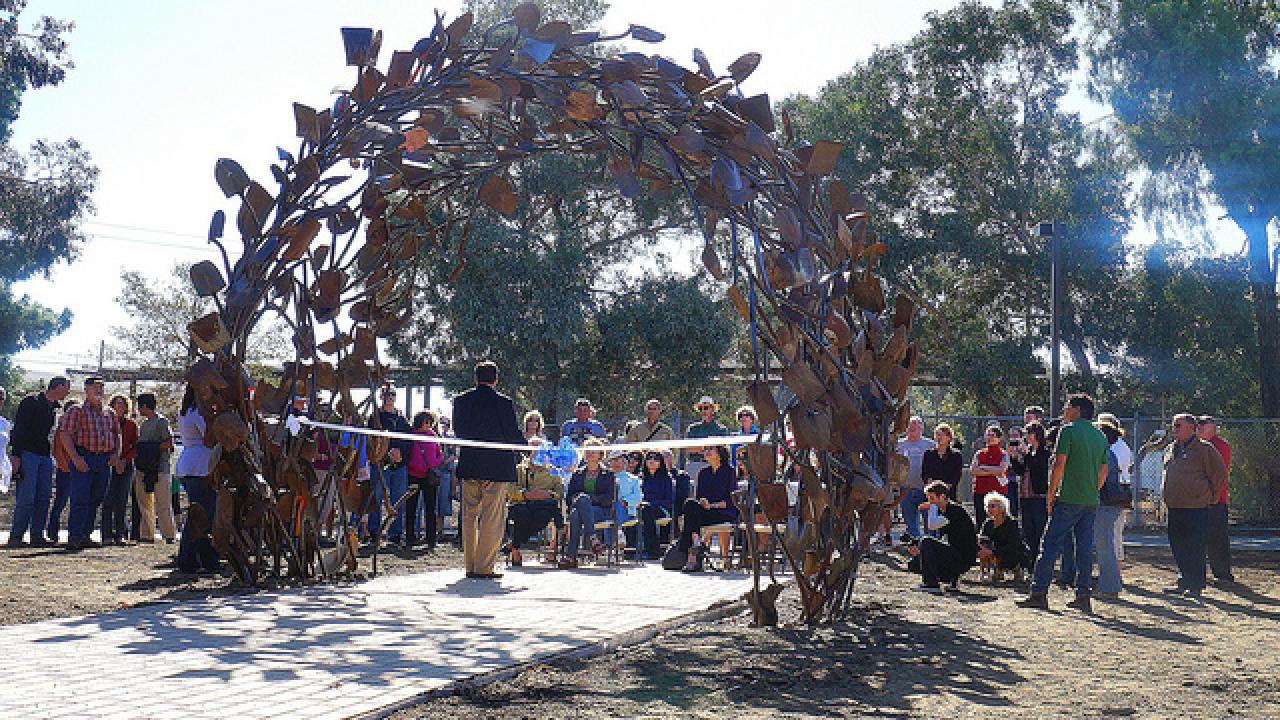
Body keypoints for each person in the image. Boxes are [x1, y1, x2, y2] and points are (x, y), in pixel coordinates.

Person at [1018, 393, 1109, 612]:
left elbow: (1059, 465)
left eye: (1067, 406)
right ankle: (1083, 595)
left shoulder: (1067, 431)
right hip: (1090, 500)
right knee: (1085, 549)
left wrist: (1051, 494)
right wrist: (1092, 490)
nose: (1064, 411)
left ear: (1077, 409)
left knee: (1049, 545)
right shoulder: (1099, 435)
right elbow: (1103, 471)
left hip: (1068, 498)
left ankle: (1039, 592)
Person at [452, 361, 524, 579]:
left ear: (476, 379)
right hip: (495, 467)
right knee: (492, 518)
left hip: (470, 464)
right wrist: (526, 445)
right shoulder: (503, 403)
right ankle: (484, 567)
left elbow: (459, 431)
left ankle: (470, 566)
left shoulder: (461, 401)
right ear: (496, 379)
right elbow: (512, 434)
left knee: (469, 516)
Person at [1160, 413, 1227, 598]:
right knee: (1178, 546)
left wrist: (1211, 498)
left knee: (1195, 547)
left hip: (1196, 508)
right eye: (1174, 425)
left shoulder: (1205, 449)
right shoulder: (1171, 449)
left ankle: (1195, 585)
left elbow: (1219, 474)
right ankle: (1183, 581)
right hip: (1175, 507)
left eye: (1178, 425)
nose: (1174, 429)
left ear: (1192, 428)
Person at [6, 376, 70, 547]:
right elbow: (18, 429)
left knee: (44, 496)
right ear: (57, 387)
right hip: (27, 454)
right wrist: (16, 455)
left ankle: (37, 535)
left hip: (44, 455)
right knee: (27, 496)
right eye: (66, 387)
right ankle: (16, 536)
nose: (68, 392)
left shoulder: (54, 408)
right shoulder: (31, 401)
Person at [58, 377, 121, 551]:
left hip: (104, 460)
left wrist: (116, 455)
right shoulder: (76, 411)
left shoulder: (110, 413)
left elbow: (117, 435)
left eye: (101, 387)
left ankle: (86, 535)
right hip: (84, 457)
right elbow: (65, 435)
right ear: (86, 390)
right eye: (95, 387)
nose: (99, 390)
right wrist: (76, 458)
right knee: (80, 499)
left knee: (96, 499)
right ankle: (75, 536)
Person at [174, 385, 220, 573]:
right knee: (200, 515)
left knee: (202, 514)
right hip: (200, 465)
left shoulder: (186, 411)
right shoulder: (198, 412)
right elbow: (209, 436)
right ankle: (189, 559)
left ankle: (203, 558)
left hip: (190, 462)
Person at [906, 480, 979, 593]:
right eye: (928, 498)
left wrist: (932, 508)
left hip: (963, 559)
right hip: (954, 555)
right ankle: (949, 580)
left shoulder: (955, 510)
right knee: (914, 563)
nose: (930, 502)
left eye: (932, 498)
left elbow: (931, 525)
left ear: (942, 496)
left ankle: (931, 584)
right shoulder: (944, 511)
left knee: (926, 541)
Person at [675, 445, 737, 572]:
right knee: (690, 504)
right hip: (705, 512)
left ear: (719, 454)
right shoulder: (703, 473)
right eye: (706, 450)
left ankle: (692, 557)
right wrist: (703, 503)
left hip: (723, 512)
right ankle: (697, 542)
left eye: (710, 449)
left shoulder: (729, 472)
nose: (707, 452)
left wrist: (712, 505)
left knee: (690, 520)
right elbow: (699, 498)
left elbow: (732, 500)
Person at [507, 438, 565, 566]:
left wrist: (547, 494)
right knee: (522, 515)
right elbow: (510, 489)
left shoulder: (553, 471)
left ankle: (515, 544)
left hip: (543, 506)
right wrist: (525, 494)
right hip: (521, 504)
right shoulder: (518, 469)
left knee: (542, 517)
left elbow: (560, 491)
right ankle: (516, 549)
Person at [561, 439, 615, 569]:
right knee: (576, 511)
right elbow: (569, 497)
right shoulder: (577, 474)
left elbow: (609, 498)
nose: (590, 453)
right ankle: (593, 538)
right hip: (579, 509)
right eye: (588, 450)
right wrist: (581, 500)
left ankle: (571, 556)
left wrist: (589, 499)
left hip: (600, 511)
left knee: (578, 510)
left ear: (600, 454)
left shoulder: (608, 474)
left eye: (594, 451)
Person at [368, 385, 412, 545]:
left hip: (399, 466)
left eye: (393, 394)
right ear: (381, 397)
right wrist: (386, 453)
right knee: (376, 499)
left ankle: (395, 534)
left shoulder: (402, 419)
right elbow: (371, 441)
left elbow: (409, 440)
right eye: (387, 394)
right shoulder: (375, 417)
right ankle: (374, 533)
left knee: (398, 500)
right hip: (380, 464)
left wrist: (400, 454)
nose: (390, 397)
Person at [133, 392, 177, 544]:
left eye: (139, 406)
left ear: (145, 406)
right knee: (144, 502)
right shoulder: (143, 424)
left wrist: (152, 449)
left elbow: (169, 443)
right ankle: (147, 534)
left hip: (160, 467)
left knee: (163, 503)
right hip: (144, 468)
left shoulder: (161, 422)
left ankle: (169, 534)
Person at [1093, 418, 1128, 597]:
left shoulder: (1106, 455)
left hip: (1106, 505)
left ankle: (1110, 587)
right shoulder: (1108, 453)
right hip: (1107, 505)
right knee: (1105, 545)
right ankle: (1108, 585)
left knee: (1105, 547)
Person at [1197, 416, 1234, 584]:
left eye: (1204, 425)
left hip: (1216, 500)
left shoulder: (1221, 446)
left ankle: (1223, 574)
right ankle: (1199, 574)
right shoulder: (1195, 445)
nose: (1200, 428)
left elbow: (1216, 473)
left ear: (1213, 428)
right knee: (1198, 538)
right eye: (1199, 425)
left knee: (1217, 539)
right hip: (1198, 500)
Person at [99, 395, 138, 545]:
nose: (119, 407)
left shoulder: (131, 425)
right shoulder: (106, 422)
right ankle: (106, 534)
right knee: (107, 500)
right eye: (116, 404)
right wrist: (114, 460)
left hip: (125, 465)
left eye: (122, 404)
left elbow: (135, 446)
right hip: (109, 463)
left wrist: (124, 460)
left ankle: (120, 534)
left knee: (121, 500)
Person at [404, 410, 443, 550]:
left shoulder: (433, 436)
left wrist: (434, 464)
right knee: (411, 508)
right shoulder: (412, 435)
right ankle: (409, 537)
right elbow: (407, 453)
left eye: (430, 422)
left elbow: (440, 454)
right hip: (413, 475)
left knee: (430, 508)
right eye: (426, 422)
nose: (428, 425)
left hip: (429, 477)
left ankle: (431, 539)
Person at [896, 416, 937, 541]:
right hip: (906, 488)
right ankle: (915, 545)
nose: (911, 429)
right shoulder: (899, 444)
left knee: (928, 520)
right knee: (909, 520)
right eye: (909, 426)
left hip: (925, 489)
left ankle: (930, 545)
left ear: (921, 429)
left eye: (915, 426)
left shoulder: (930, 444)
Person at [46, 399, 78, 544]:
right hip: (64, 470)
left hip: (78, 470)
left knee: (77, 502)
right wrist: (65, 466)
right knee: (60, 502)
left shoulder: (80, 428)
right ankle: (52, 532)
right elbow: (57, 450)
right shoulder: (61, 428)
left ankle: (76, 532)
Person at [977, 492, 1028, 581]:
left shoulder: (1012, 523)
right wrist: (983, 548)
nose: (989, 509)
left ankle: (1017, 568)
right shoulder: (987, 523)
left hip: (1012, 553)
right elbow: (982, 539)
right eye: (988, 506)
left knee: (998, 551)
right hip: (995, 552)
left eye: (992, 506)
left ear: (1002, 508)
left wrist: (993, 552)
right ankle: (986, 572)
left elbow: (1013, 545)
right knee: (983, 547)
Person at [1019, 422, 1051, 560]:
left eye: (1029, 433)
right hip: (1026, 496)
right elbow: (1021, 470)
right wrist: (1015, 457)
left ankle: (1039, 562)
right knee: (1028, 531)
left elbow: (1039, 471)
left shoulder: (1045, 452)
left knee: (1039, 530)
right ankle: (1031, 562)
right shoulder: (1029, 451)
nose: (1027, 436)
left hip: (1039, 496)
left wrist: (1028, 456)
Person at [969, 426, 1009, 530]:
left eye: (993, 435)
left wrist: (983, 467)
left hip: (998, 492)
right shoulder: (979, 453)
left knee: (999, 519)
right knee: (981, 520)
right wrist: (993, 471)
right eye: (988, 435)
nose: (989, 438)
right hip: (980, 490)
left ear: (999, 438)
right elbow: (973, 470)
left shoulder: (1004, 454)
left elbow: (1001, 470)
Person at [638, 451, 675, 559]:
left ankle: (652, 550)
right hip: (643, 509)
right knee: (645, 511)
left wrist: (653, 504)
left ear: (661, 462)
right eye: (649, 458)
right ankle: (636, 549)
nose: (652, 461)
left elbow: (669, 500)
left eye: (655, 459)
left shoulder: (667, 478)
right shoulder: (640, 479)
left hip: (662, 510)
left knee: (647, 510)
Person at [683, 396, 728, 482]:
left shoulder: (721, 429)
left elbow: (722, 451)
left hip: (714, 465)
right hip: (694, 464)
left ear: (712, 409)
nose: (703, 411)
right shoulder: (692, 428)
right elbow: (688, 448)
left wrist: (699, 448)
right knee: (694, 493)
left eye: (706, 408)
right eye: (700, 408)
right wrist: (709, 449)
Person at [921, 423, 963, 502]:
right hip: (931, 495)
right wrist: (929, 482)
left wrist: (944, 487)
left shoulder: (956, 455)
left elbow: (956, 476)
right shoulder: (928, 454)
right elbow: (925, 473)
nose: (939, 437)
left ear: (949, 437)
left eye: (942, 435)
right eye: (937, 435)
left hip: (948, 495)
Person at [609, 450, 642, 549]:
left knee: (617, 505)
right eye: (613, 460)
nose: (616, 463)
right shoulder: (605, 477)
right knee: (610, 512)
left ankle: (618, 532)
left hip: (627, 512)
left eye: (619, 460)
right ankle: (609, 546)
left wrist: (626, 501)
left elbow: (638, 497)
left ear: (625, 463)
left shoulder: (633, 479)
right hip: (608, 511)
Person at [436, 415, 458, 546]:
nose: (444, 425)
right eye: (441, 423)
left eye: (446, 424)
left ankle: (440, 531)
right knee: (432, 504)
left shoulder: (450, 438)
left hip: (446, 473)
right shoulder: (433, 436)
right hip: (432, 473)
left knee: (443, 505)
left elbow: (454, 455)